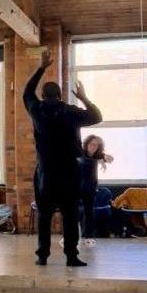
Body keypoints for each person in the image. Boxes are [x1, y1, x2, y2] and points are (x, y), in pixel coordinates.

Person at [24, 50, 103, 266]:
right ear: (60, 96)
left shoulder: (37, 110)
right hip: (69, 172)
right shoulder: (70, 111)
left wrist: (41, 67)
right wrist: (84, 98)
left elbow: (26, 93)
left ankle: (42, 255)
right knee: (69, 214)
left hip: (46, 173)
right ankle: (71, 255)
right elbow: (97, 117)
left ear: (44, 94)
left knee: (45, 215)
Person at [77, 135, 114, 247]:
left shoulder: (98, 155)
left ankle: (88, 237)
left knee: (89, 212)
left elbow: (111, 159)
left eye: (96, 145)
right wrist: (99, 161)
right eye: (92, 144)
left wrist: (104, 157)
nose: (94, 147)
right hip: (76, 187)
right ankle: (69, 237)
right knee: (73, 213)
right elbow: (85, 161)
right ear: (87, 144)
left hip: (90, 188)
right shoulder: (80, 153)